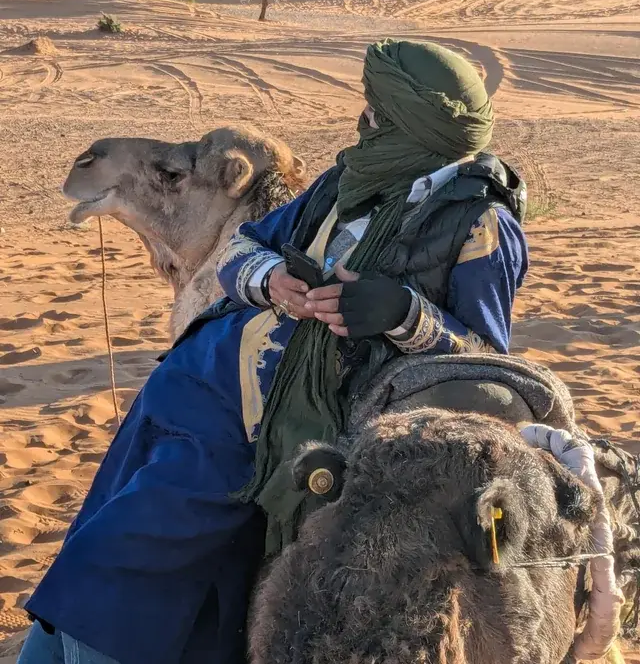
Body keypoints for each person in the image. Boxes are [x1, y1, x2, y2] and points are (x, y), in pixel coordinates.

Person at [19, 40, 528, 664]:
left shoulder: (480, 224)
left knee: (126, 551)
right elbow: (240, 248)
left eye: (375, 112)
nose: (362, 122)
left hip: (279, 425)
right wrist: (271, 280)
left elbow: (487, 365)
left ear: (407, 124)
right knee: (100, 530)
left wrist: (402, 314)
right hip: (195, 387)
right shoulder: (344, 183)